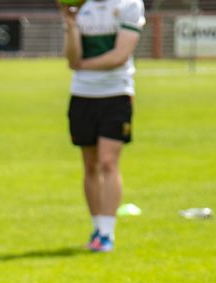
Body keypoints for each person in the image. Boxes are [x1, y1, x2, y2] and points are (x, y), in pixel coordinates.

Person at [59, 0, 145, 253]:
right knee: (90, 164)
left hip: (117, 93)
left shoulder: (129, 4)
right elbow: (72, 57)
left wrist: (83, 66)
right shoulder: (79, 6)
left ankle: (108, 233)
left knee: (108, 161)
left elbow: (120, 56)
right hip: (82, 95)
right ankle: (97, 227)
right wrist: (72, 25)